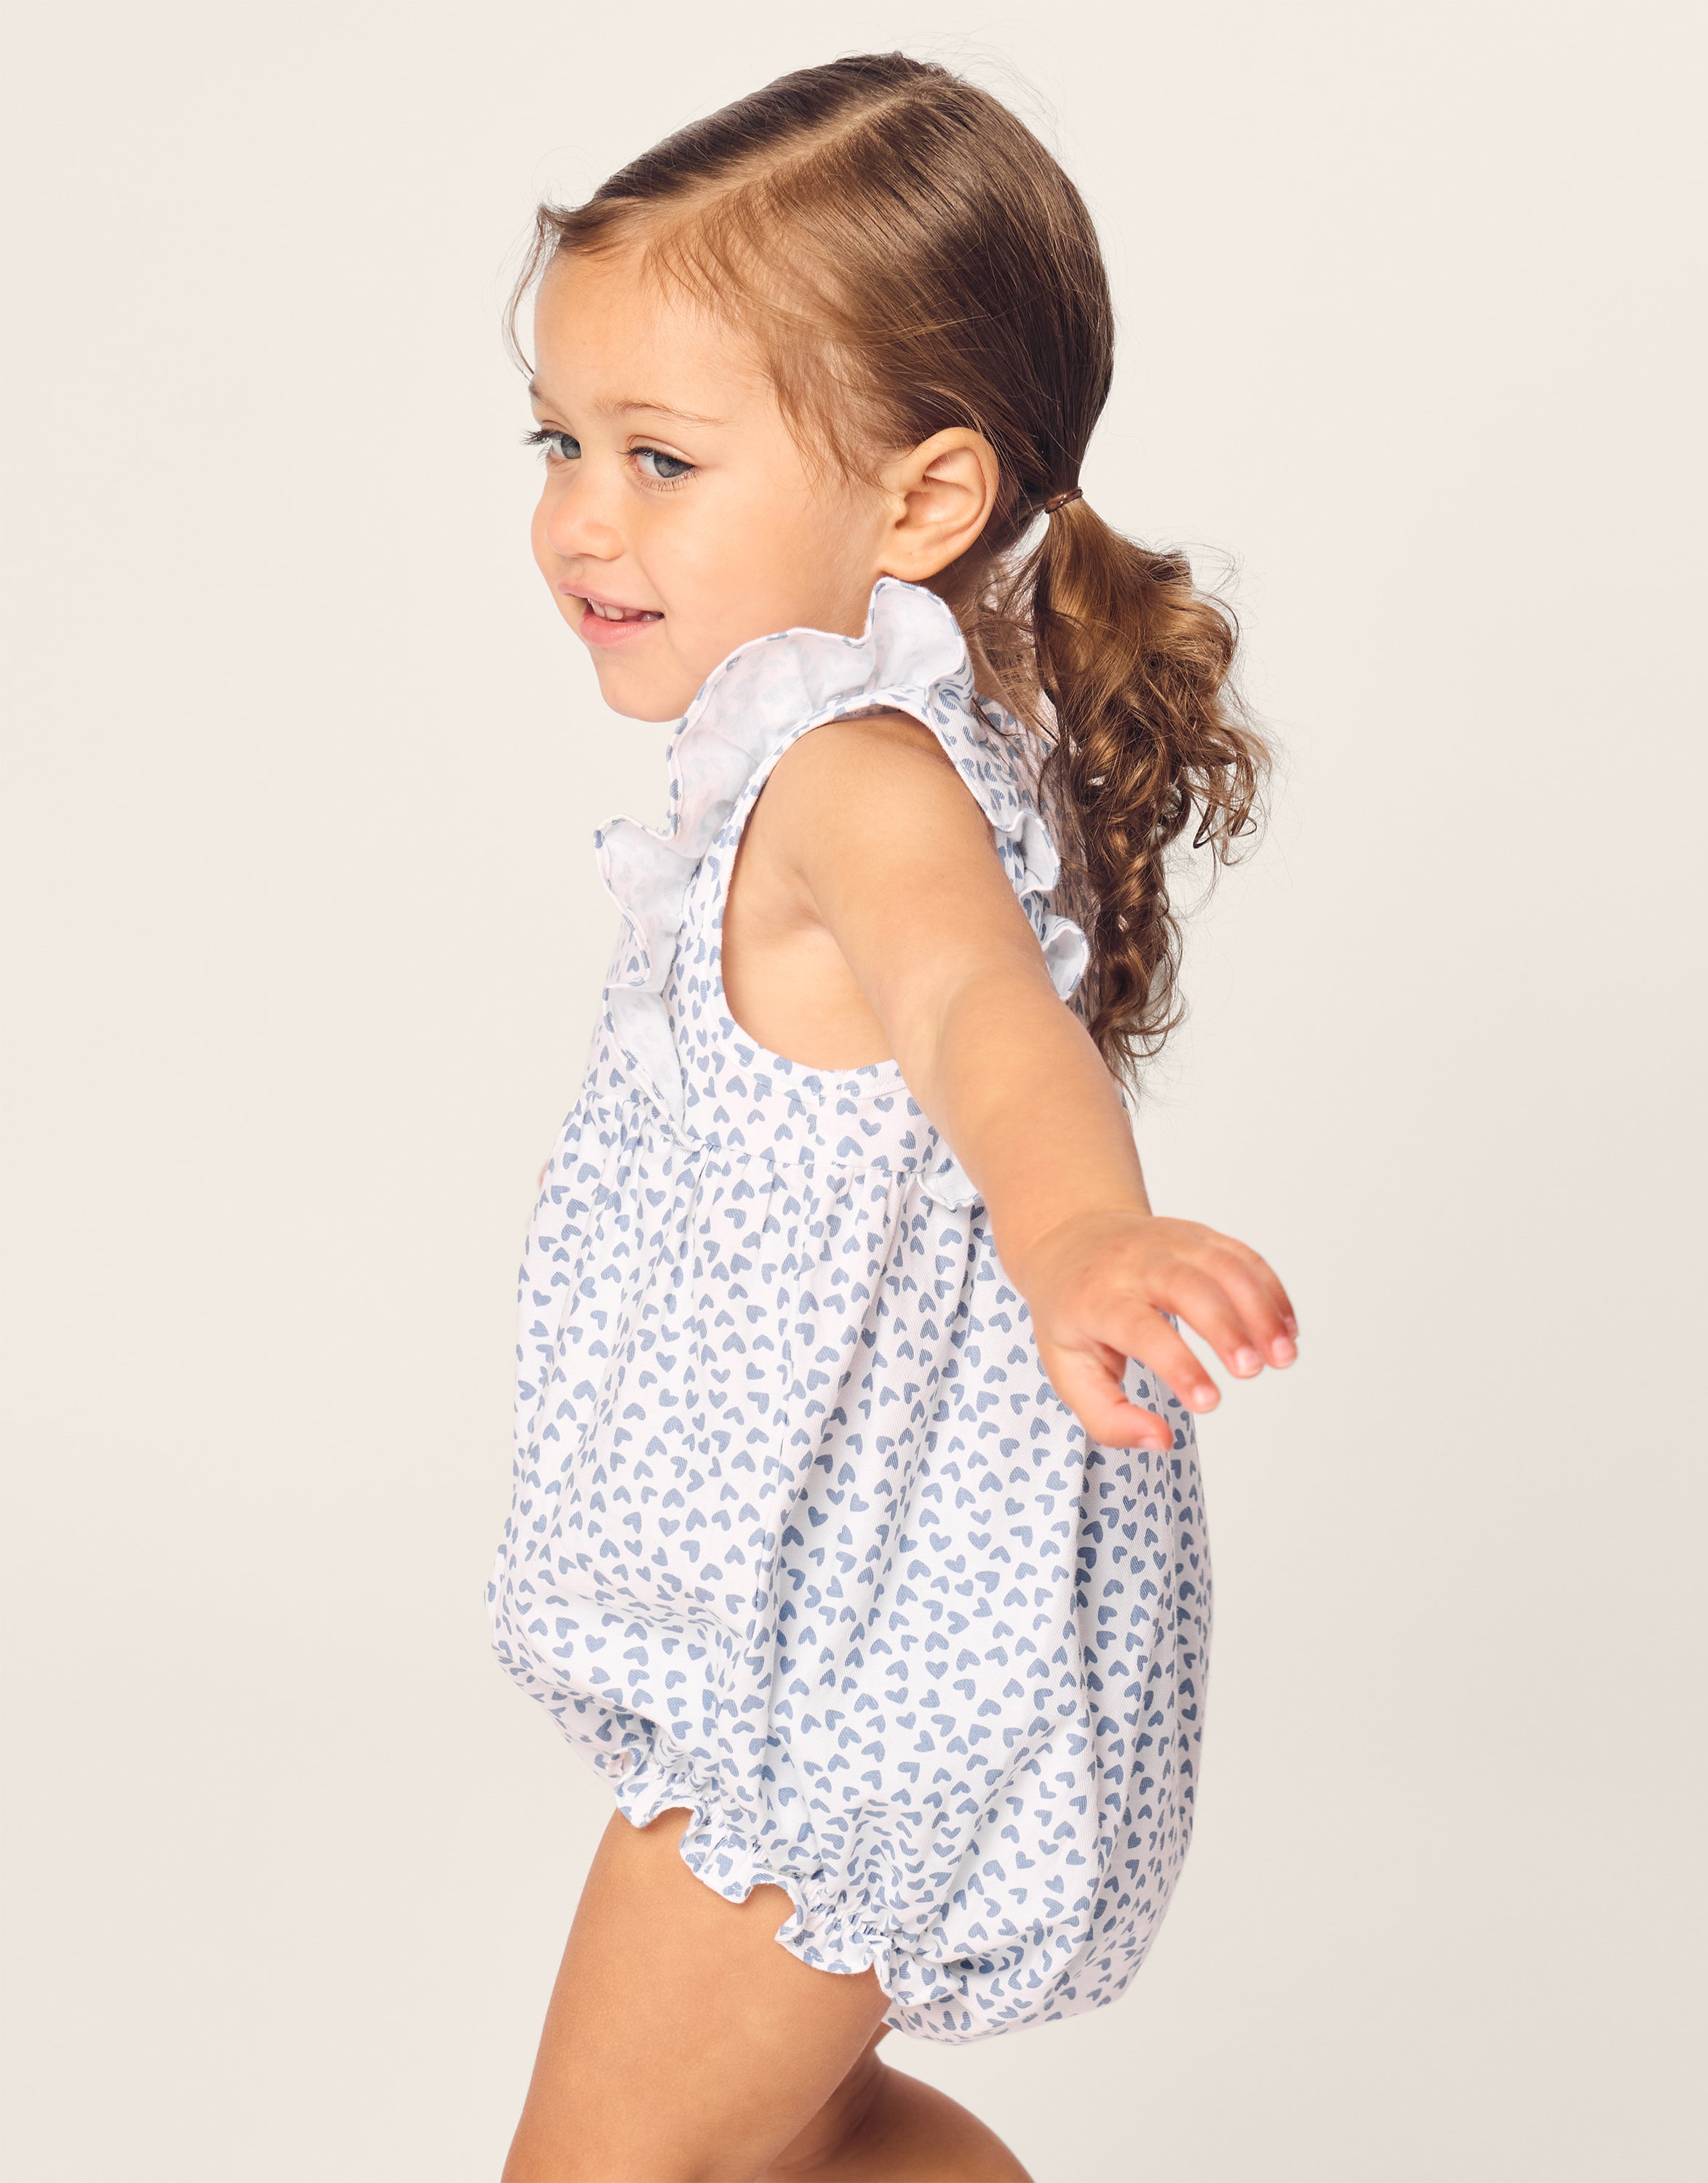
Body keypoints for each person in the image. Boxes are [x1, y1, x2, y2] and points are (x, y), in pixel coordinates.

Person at [487, 52, 1296, 2183]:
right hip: (851, 1659)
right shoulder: (865, 743)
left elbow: (973, 1015)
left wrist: (1077, 1240)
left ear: (925, 500)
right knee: (815, 2139)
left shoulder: (859, 776)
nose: (582, 515)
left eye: (662, 459)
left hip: (824, 1694)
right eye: (561, 441)